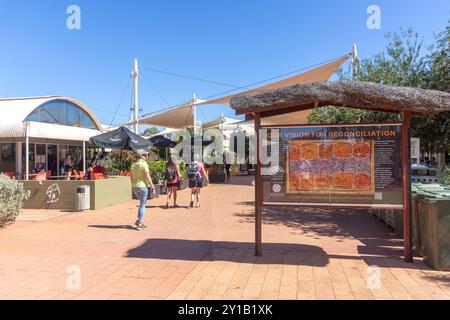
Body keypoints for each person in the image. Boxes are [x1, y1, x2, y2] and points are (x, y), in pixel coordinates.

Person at [130, 149, 155, 230]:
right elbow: (148, 176)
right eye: (146, 155)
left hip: (135, 187)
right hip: (143, 187)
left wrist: (133, 185)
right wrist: (152, 186)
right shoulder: (144, 164)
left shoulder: (133, 165)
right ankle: (140, 224)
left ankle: (138, 221)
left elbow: (131, 177)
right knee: (142, 205)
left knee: (141, 204)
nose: (147, 156)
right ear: (142, 156)